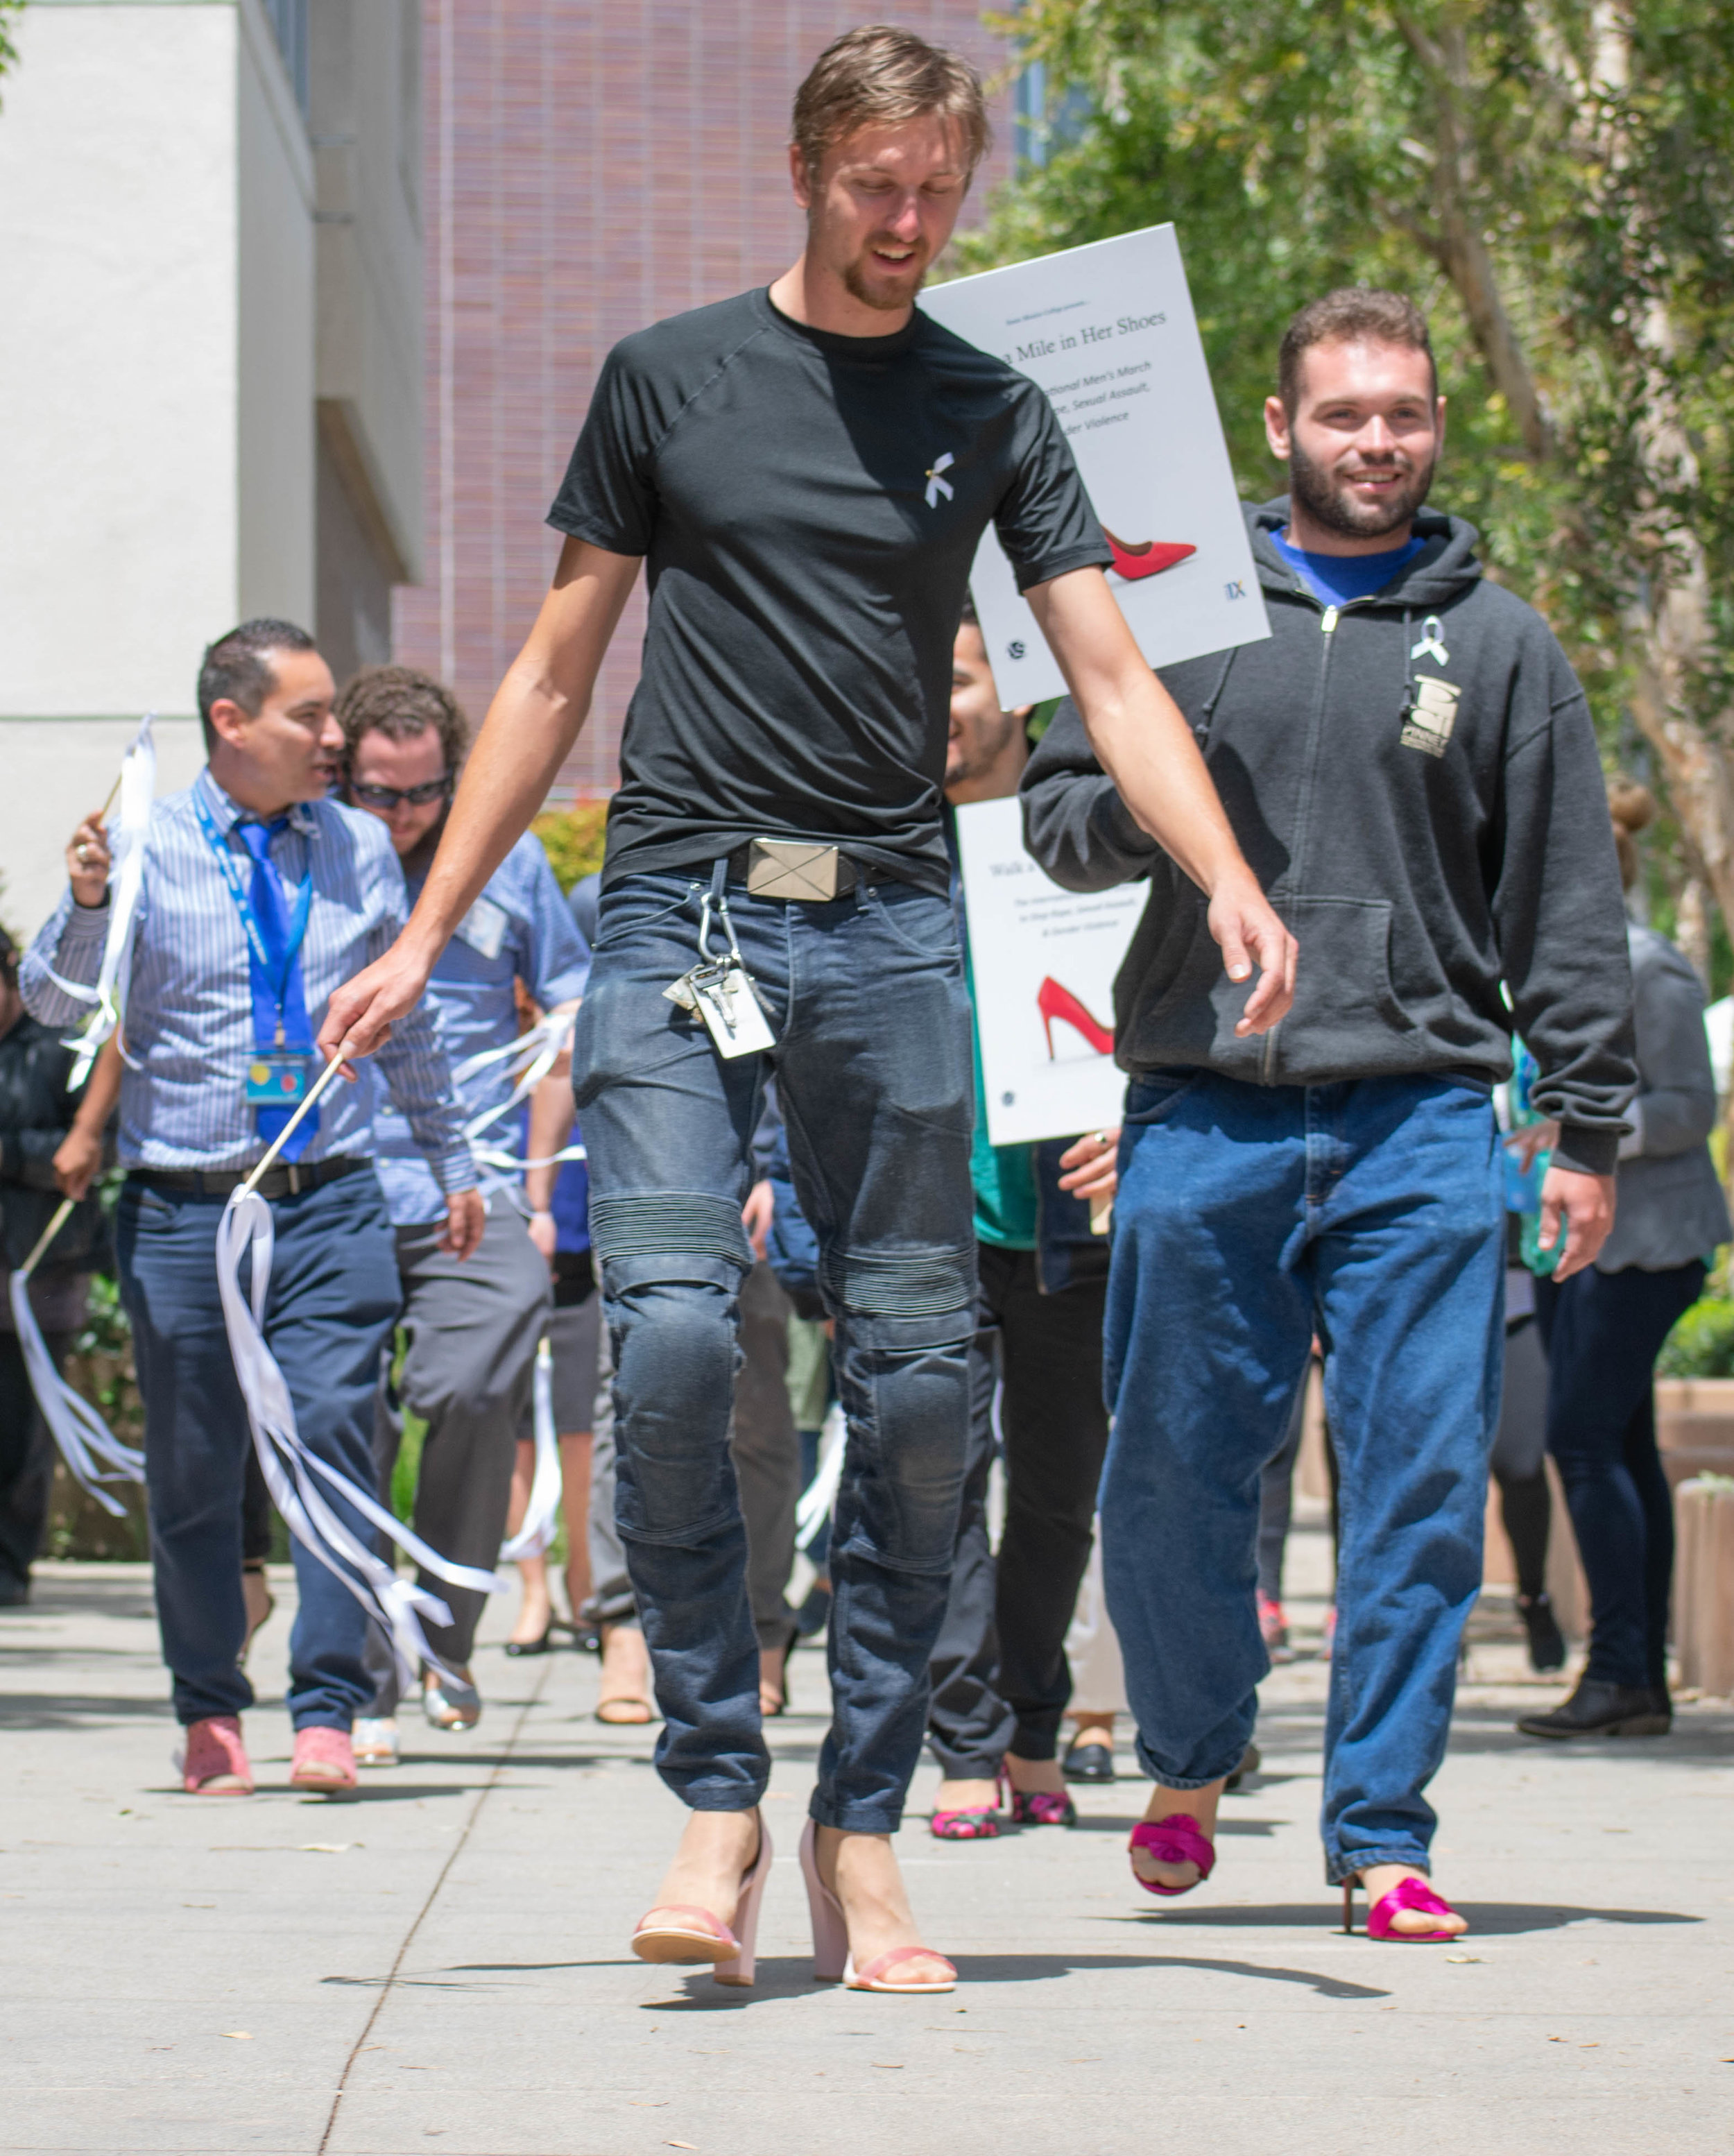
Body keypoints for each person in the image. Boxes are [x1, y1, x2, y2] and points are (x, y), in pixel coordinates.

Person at [320, 26, 1291, 1992]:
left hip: (889, 928)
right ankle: (712, 1780)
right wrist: (426, 928)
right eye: (878, 186)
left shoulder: (990, 404)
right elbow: (547, 669)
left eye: (940, 185)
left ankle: (858, 1830)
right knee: (675, 1338)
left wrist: (1224, 869)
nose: (912, 220)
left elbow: (1104, 675)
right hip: (679, 911)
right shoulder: (666, 377)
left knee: (927, 1379)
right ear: (802, 169)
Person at [1023, 287, 1637, 1941]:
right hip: (1200, 1111)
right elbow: (1056, 818)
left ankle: (1381, 1831)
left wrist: (1580, 1127)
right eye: (1346, 413)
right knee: (1166, 1477)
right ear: (1279, 431)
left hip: (1424, 1119)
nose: (1379, 440)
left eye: (1406, 416)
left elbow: (1564, 903)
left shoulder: (1498, 643)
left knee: (1421, 1487)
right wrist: (1178, 826)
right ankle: (1195, 1748)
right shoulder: (1169, 610)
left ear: (1433, 433)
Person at [22, 620, 483, 1797]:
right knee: (195, 1463)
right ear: (230, 723)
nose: (336, 737)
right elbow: (59, 1002)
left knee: (336, 1441)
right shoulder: (146, 842)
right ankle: (210, 1705)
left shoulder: (362, 849)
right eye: (309, 716)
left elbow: (409, 1016)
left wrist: (453, 1159)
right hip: (184, 1209)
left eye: (334, 714)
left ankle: (327, 1704)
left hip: (330, 1197)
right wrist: (82, 904)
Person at [336, 665, 588, 1761]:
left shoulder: (509, 857)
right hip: (341, 1175)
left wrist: (537, 1190)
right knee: (345, 1413)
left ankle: (442, 1635)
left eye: (422, 794)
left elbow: (572, 1002)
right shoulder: (317, 860)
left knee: (472, 1383)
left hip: (472, 1185)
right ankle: (354, 1674)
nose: (400, 817)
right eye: (378, 794)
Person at [925, 602, 1120, 1839]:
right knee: (936, 1488)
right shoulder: (873, 845)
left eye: (950, 677)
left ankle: (1036, 1721)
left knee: (1057, 1492)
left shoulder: (1098, 836)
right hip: (923, 1218)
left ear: (1022, 691)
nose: (930, 705)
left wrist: (1143, 1116)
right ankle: (963, 1739)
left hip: (1072, 1223)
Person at [1517, 780, 1729, 1739]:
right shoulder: (1546, 975)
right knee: (1620, 1443)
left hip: (1646, 1245)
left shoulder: (1652, 970)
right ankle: (1636, 1677)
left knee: (1584, 1441)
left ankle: (1618, 1668)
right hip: (1569, 1245)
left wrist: (1589, 1132)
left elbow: (1691, 1107)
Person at [0, 930, 112, 1605]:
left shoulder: (63, 1049)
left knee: (20, 1436)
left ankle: (10, 1568)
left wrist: (11, 1154)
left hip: (37, 1280)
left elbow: (93, 1150)